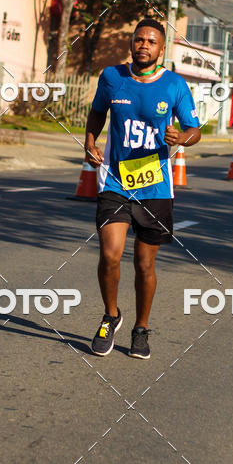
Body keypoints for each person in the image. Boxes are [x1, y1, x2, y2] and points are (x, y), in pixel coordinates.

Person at [84, 18, 201, 359]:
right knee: (110, 254)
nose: (144, 45)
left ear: (161, 49)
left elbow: (195, 130)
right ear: (131, 43)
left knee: (145, 266)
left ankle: (141, 328)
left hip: (156, 187)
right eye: (139, 39)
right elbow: (96, 113)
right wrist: (90, 141)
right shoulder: (112, 78)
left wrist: (183, 138)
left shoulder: (175, 86)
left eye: (151, 41)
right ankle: (111, 315)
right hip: (116, 181)